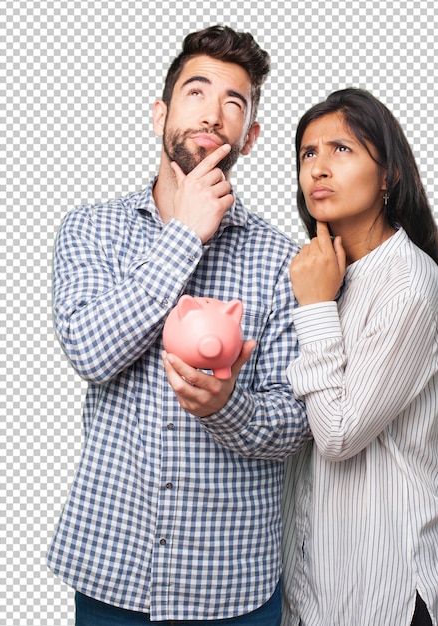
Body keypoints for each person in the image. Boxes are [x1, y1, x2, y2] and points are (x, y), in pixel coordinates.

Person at [47, 25, 310, 625]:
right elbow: (90, 350)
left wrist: (227, 406)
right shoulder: (90, 230)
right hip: (113, 573)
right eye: (197, 92)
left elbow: (298, 424)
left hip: (231, 585)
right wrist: (185, 236)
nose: (213, 114)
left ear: (251, 136)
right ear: (160, 113)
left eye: (235, 103)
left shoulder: (280, 261)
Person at [281, 88, 438, 625]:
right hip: (322, 586)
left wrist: (314, 308)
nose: (319, 167)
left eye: (341, 150)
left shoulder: (407, 286)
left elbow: (337, 435)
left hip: (389, 589)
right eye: (308, 153)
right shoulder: (323, 273)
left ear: (387, 176)